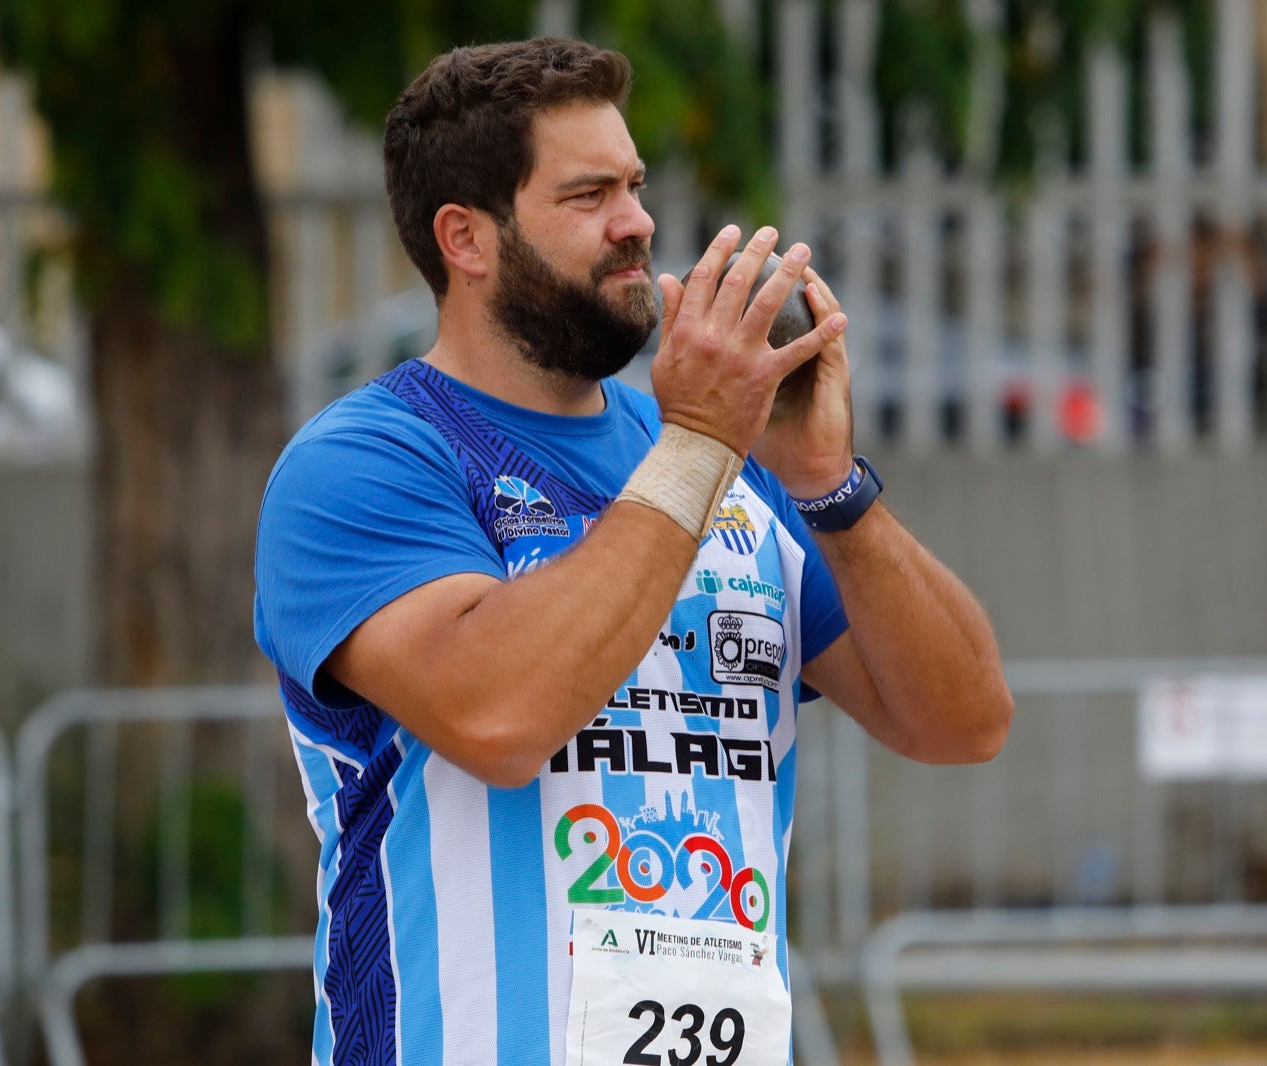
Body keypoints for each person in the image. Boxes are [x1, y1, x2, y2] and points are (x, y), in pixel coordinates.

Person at [254, 36, 1012, 1066]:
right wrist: (699, 443)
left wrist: (829, 486)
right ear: (465, 240)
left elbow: (960, 720)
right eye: (588, 195)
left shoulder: (728, 468)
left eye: (636, 186)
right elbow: (501, 716)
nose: (638, 224)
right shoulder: (367, 461)